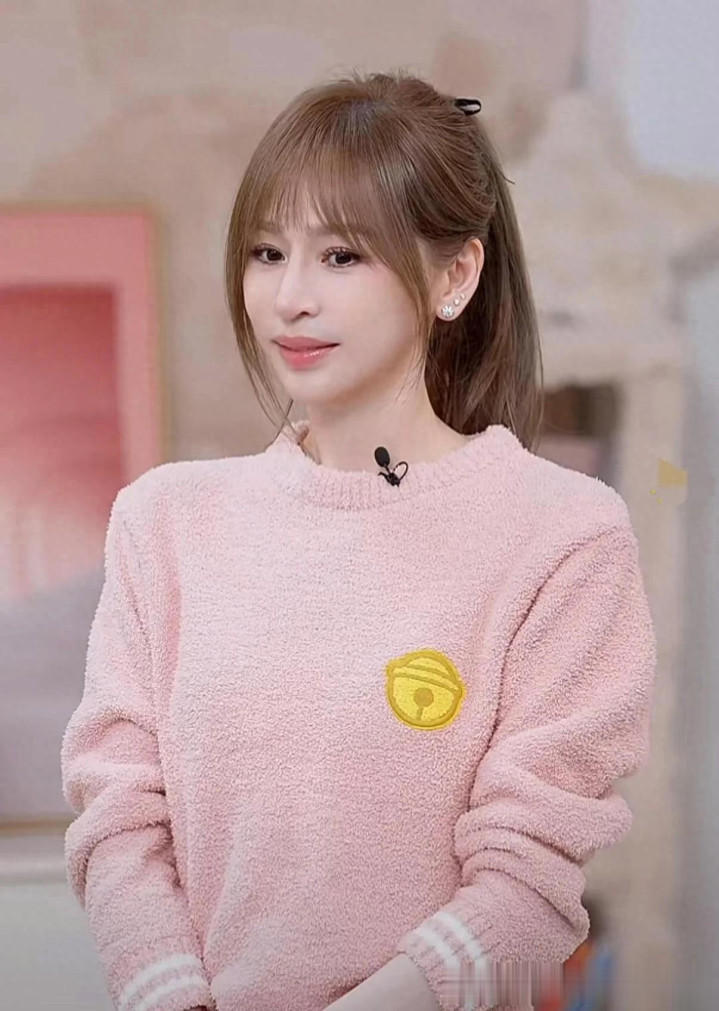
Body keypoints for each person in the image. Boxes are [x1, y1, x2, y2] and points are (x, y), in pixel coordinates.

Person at [60, 69, 657, 1011]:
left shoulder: (564, 534)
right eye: (266, 252)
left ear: (455, 276)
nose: (289, 297)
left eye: (341, 255)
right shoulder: (164, 522)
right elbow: (118, 820)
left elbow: (530, 891)